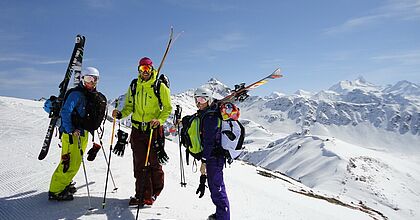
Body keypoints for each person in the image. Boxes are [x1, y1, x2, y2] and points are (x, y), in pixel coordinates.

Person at [112, 57, 172, 206]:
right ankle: (142, 196)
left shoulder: (159, 86)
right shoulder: (134, 85)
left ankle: (155, 192)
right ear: (139, 70)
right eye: (142, 69)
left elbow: (167, 108)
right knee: (139, 164)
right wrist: (120, 114)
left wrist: (159, 120)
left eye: (147, 69)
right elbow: (129, 107)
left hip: (153, 130)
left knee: (154, 162)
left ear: (151, 69)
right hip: (137, 131)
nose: (144, 72)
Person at [48, 67, 101, 201]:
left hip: (82, 134)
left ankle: (64, 183)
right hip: (72, 135)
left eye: (95, 79)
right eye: (89, 79)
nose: (92, 82)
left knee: (74, 162)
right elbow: (66, 112)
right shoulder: (76, 94)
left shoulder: (89, 94)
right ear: (82, 79)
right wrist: (70, 130)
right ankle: (56, 191)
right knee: (69, 163)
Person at [193, 87, 230, 220]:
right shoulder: (208, 112)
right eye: (196, 99)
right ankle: (220, 215)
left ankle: (223, 217)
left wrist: (204, 161)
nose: (199, 102)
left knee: (217, 189)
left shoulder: (211, 116)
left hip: (214, 157)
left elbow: (210, 141)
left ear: (208, 100)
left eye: (202, 99)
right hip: (213, 157)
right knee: (216, 188)